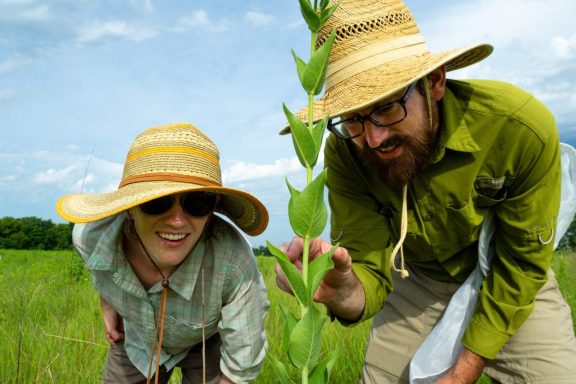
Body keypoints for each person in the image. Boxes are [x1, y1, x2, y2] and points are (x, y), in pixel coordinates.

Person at [276, 0, 576, 383]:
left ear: (434, 82)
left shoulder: (517, 129)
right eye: (352, 118)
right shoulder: (345, 150)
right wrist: (340, 289)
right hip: (415, 279)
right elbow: (368, 271)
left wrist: (462, 371)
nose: (373, 137)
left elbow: (521, 265)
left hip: (507, 275)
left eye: (386, 107)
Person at [56, 123, 270, 384]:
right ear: (128, 208)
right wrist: (109, 301)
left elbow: (242, 361)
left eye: (197, 202)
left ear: (213, 208)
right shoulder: (92, 237)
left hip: (207, 343)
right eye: (156, 202)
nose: (177, 220)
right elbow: (98, 267)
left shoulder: (234, 261)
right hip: (138, 342)